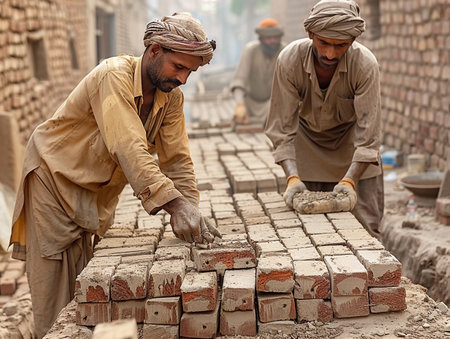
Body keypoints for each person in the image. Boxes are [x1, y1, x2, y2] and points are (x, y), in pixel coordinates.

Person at [9, 13, 218, 338]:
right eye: (178, 67)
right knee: (54, 301)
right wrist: (175, 207)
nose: (184, 79)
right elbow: (128, 147)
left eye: (190, 71)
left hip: (96, 193)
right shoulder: (114, 76)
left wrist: (191, 210)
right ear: (153, 50)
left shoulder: (170, 97)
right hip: (53, 181)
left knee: (86, 288)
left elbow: (177, 159)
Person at [265, 0, 384, 236]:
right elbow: (281, 127)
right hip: (307, 146)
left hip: (352, 148)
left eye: (341, 45)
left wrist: (350, 181)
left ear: (353, 41)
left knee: (366, 230)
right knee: (309, 233)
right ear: (310, 34)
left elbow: (369, 134)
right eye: (323, 43)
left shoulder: (365, 65)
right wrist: (292, 177)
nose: (330, 53)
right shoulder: (289, 60)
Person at [230, 18, 285, 126]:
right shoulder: (250, 50)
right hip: (249, 104)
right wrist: (239, 105)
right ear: (261, 39)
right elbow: (239, 82)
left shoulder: (285, 51)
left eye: (275, 37)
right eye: (269, 38)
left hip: (273, 105)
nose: (273, 41)